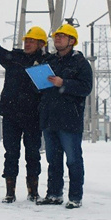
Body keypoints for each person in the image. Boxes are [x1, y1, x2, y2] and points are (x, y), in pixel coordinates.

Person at [0, 24, 47, 203]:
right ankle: (10, 192)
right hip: (11, 114)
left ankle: (33, 191)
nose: (27, 44)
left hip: (33, 115)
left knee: (33, 154)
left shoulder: (46, 62)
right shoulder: (15, 58)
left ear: (41, 44)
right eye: (26, 40)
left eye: (32, 41)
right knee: (11, 153)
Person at [36, 23, 93, 209]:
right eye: (56, 36)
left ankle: (75, 197)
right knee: (53, 159)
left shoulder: (80, 63)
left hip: (69, 119)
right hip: (50, 117)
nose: (57, 39)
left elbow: (85, 88)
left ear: (72, 41)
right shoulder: (50, 62)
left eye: (62, 36)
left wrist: (64, 83)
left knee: (73, 159)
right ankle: (54, 194)